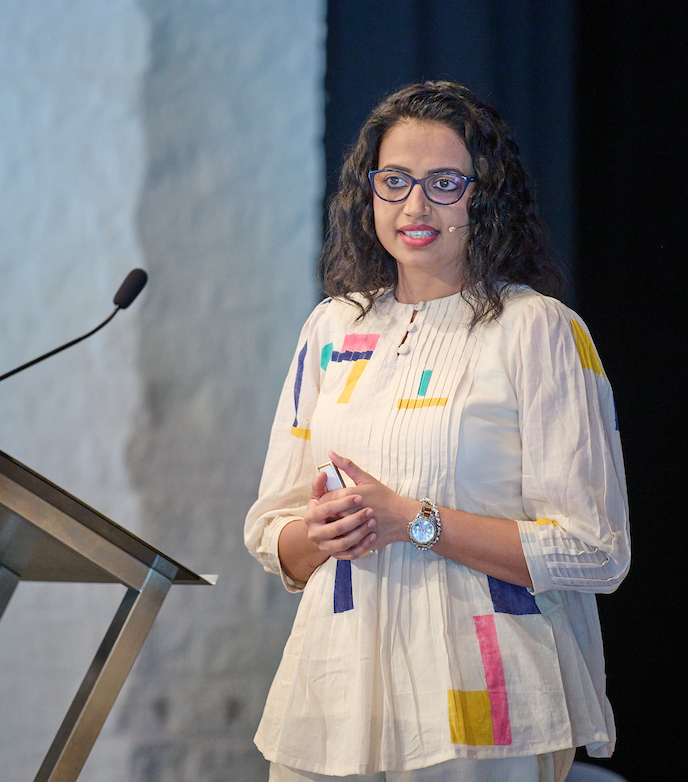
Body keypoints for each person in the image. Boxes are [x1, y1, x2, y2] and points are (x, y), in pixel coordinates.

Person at [245, 81, 630, 782]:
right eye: (394, 181)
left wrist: (414, 521)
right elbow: (275, 535)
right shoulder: (333, 327)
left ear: (486, 197)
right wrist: (318, 534)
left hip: (480, 707)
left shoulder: (538, 329)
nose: (415, 206)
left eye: (444, 183)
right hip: (332, 700)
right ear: (368, 193)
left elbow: (594, 551)